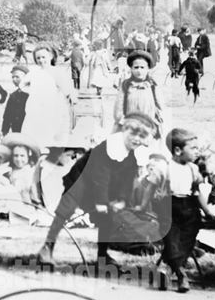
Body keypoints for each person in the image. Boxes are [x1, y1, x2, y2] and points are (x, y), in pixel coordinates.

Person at [36, 113, 157, 265]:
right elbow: (101, 175)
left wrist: (121, 200)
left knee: (107, 218)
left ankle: (102, 256)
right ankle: (47, 247)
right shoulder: (109, 147)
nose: (136, 139)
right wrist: (101, 201)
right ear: (124, 130)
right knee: (65, 211)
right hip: (81, 180)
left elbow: (127, 181)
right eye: (133, 134)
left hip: (102, 188)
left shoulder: (131, 156)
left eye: (141, 136)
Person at [155, 129, 215, 293]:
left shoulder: (193, 169)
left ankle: (166, 268)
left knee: (188, 238)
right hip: (169, 208)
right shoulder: (165, 168)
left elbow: (197, 193)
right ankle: (181, 274)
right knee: (171, 238)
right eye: (193, 148)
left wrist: (207, 211)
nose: (197, 151)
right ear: (177, 151)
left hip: (189, 208)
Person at [20, 41, 76, 150]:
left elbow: (66, 91)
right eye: (38, 58)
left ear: (50, 56)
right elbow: (22, 85)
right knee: (33, 133)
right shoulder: (34, 72)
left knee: (50, 134)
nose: (41, 60)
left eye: (43, 57)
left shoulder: (56, 72)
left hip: (52, 108)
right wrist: (32, 92)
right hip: (35, 108)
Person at [114, 50, 163, 133]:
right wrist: (124, 122)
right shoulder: (126, 85)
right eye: (136, 67)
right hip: (129, 127)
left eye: (142, 67)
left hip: (148, 127)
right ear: (131, 69)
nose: (139, 71)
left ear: (148, 69)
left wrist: (156, 120)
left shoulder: (152, 86)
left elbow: (160, 106)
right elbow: (118, 109)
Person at [2, 64, 30, 134]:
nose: (14, 79)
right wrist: (4, 130)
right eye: (13, 77)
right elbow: (7, 115)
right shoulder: (13, 95)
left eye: (17, 77)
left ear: (26, 77)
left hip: (29, 129)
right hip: (16, 130)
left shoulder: (31, 94)